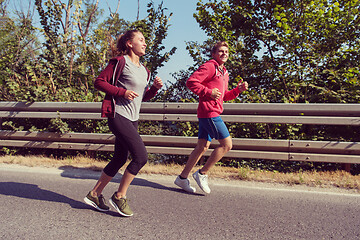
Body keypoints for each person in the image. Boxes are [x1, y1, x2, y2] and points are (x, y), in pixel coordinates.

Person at [84, 29, 163, 217]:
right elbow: (99, 82)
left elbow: (140, 98)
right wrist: (121, 92)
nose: (145, 43)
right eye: (141, 40)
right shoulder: (120, 62)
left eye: (145, 40)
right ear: (129, 43)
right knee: (141, 156)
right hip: (118, 115)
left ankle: (95, 194)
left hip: (133, 118)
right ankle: (119, 196)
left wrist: (154, 89)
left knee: (120, 158)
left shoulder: (145, 71)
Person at [174, 41, 248, 194]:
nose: (224, 54)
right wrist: (208, 92)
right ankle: (202, 173)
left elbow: (223, 96)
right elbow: (191, 82)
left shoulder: (224, 72)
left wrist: (237, 90)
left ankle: (182, 178)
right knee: (227, 145)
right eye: (221, 51)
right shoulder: (210, 66)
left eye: (226, 51)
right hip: (209, 113)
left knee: (202, 147)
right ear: (214, 54)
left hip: (210, 111)